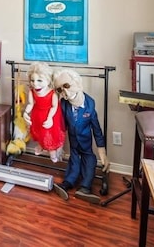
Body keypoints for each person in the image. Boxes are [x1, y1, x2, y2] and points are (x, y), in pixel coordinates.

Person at [52, 68, 110, 204]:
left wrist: (103, 152)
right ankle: (67, 184)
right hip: (73, 143)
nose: (65, 93)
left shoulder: (89, 105)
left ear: (77, 83)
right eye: (60, 90)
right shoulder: (64, 104)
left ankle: (85, 187)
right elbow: (62, 126)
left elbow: (97, 129)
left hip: (85, 143)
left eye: (67, 86)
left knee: (89, 161)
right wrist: (59, 145)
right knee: (74, 161)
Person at [22, 62, 65, 163]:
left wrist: (50, 118)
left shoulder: (52, 93)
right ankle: (41, 145)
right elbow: (30, 103)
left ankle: (52, 151)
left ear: (48, 80)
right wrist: (25, 112)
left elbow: (55, 106)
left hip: (51, 115)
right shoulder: (32, 91)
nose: (35, 83)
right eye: (32, 80)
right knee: (39, 131)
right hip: (37, 113)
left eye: (39, 80)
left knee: (49, 133)